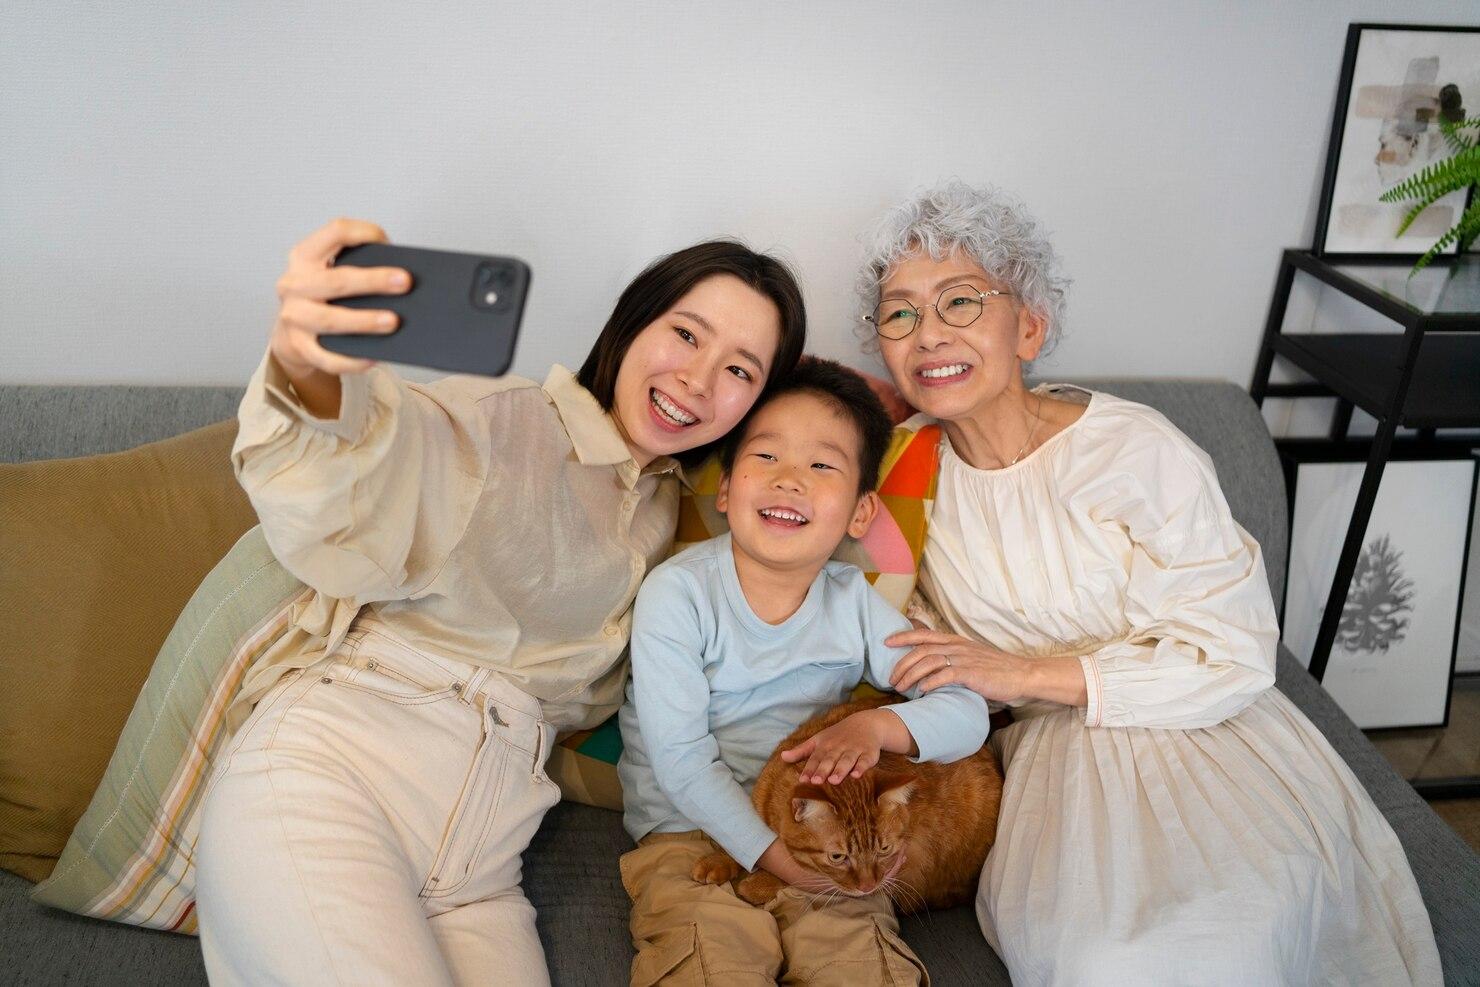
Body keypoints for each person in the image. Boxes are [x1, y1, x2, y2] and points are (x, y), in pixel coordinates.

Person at [194, 218, 806, 986]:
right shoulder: (500, 422)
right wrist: (306, 365)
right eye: (685, 334)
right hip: (335, 776)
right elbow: (355, 474)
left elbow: (804, 530)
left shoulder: (675, 510)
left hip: (481, 865)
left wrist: (833, 409)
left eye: (741, 371)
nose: (698, 378)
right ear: (630, 323)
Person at [860, 182, 1442, 985]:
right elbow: (866, 619)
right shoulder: (898, 472)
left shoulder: (1135, 450)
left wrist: (1021, 672)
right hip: (1057, 769)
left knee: (1241, 933)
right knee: (1108, 959)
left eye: (961, 301)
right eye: (899, 313)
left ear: (1030, 326)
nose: (928, 334)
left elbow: (1236, 651)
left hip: (1213, 737)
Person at [617, 357, 991, 985]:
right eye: (767, 458)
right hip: (692, 829)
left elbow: (968, 713)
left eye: (821, 466)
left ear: (859, 514)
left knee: (857, 959)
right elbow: (681, 762)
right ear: (727, 490)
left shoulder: (852, 602)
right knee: (709, 954)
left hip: (831, 841)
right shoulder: (678, 593)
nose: (790, 480)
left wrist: (876, 728)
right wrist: (777, 860)